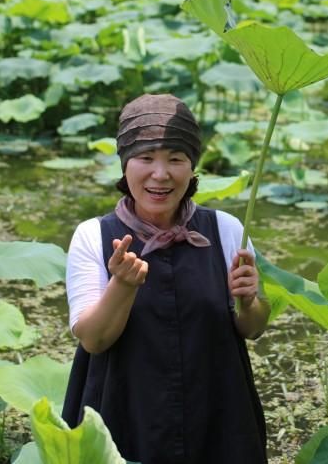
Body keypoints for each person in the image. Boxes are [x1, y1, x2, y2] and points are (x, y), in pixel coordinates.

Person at [61, 94, 270, 463]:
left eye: (176, 159)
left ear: (192, 168)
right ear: (125, 165)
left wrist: (250, 301)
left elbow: (252, 328)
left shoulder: (226, 229)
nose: (161, 174)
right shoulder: (92, 235)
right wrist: (122, 286)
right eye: (146, 158)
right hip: (124, 413)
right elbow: (93, 339)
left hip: (217, 414)